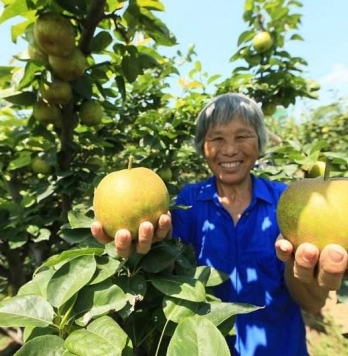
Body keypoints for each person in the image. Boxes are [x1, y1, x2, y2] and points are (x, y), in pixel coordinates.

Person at [91, 93, 348, 355]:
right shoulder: (189, 202)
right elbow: (169, 271)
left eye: (242, 136)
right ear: (203, 146)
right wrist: (149, 250)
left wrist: (304, 268)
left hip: (279, 347)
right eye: (216, 138)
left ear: (260, 142)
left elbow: (312, 305)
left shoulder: (287, 203)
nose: (229, 149)